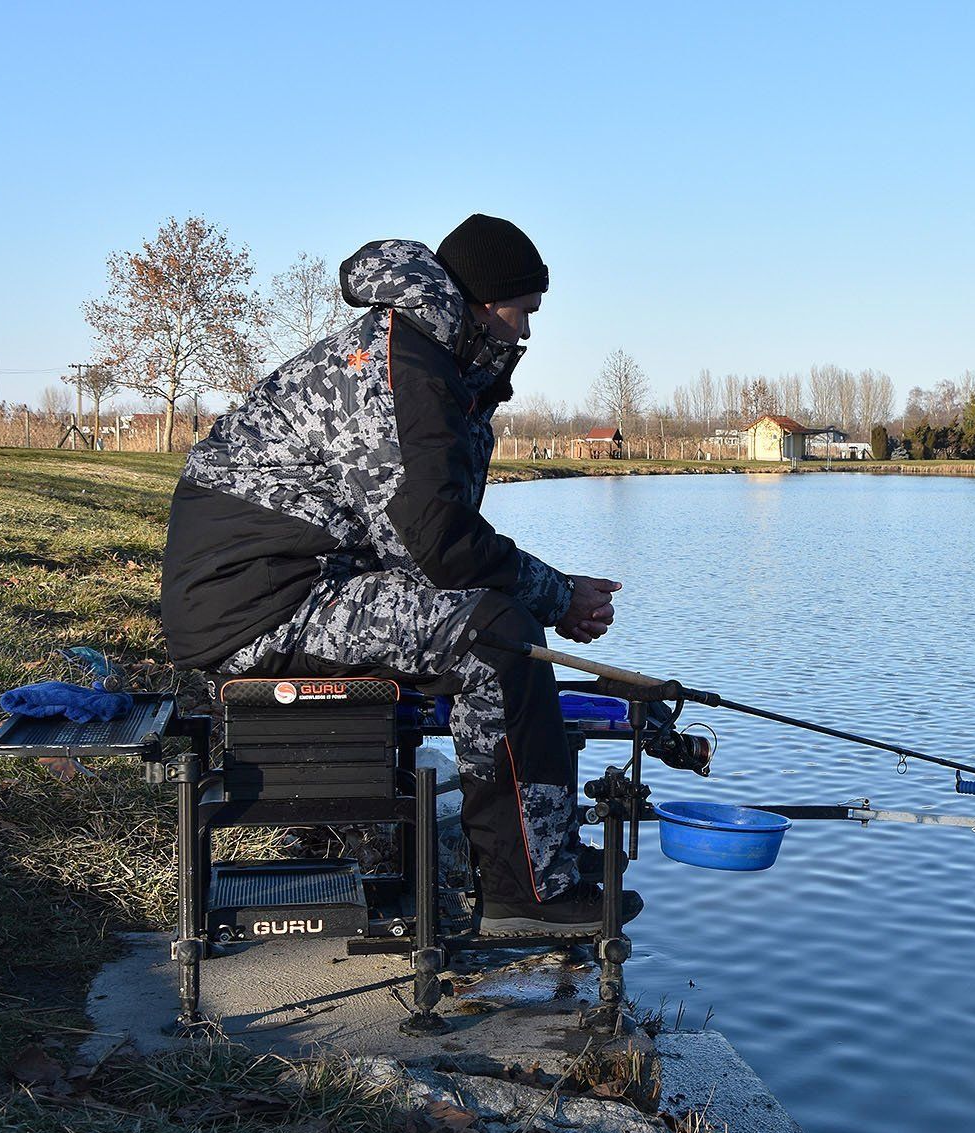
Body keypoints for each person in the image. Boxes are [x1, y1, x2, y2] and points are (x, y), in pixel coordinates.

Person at [160, 214, 637, 934]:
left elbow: (428, 535)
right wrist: (557, 594)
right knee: (497, 637)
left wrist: (547, 588)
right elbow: (437, 544)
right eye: (522, 312)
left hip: (284, 584)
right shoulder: (405, 370)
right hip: (261, 605)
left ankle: (539, 857)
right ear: (481, 303)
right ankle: (526, 891)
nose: (526, 333)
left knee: (492, 620)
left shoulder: (416, 352)